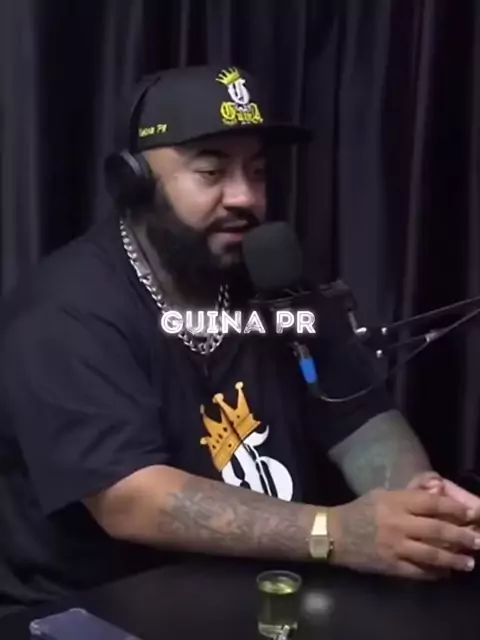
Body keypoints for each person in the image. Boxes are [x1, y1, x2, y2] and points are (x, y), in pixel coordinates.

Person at [0, 64, 479, 618]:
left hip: (263, 595)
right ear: (133, 182)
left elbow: (364, 423)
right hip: (94, 611)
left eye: (257, 172)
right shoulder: (67, 310)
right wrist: (333, 533)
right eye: (211, 172)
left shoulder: (277, 286)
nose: (245, 197)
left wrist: (418, 504)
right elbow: (129, 498)